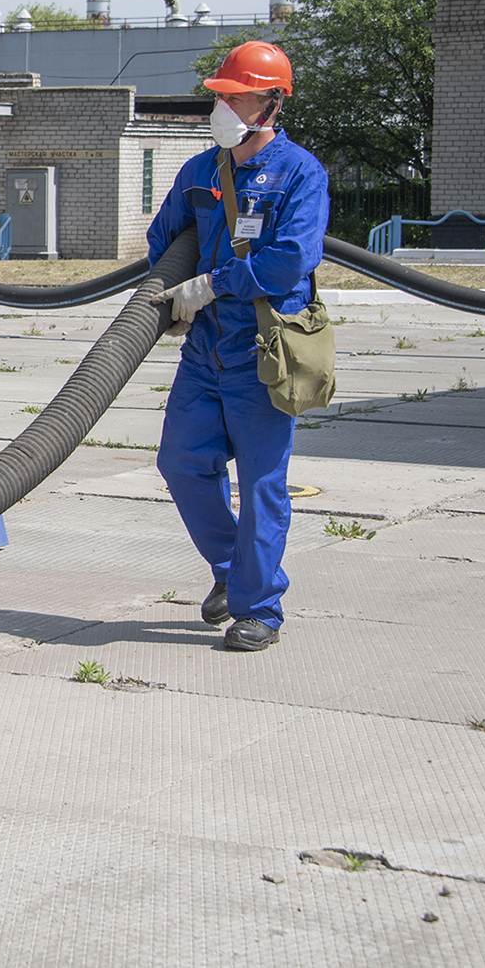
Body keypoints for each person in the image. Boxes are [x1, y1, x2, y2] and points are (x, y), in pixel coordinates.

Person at [146, 40, 327, 652]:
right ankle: (234, 573)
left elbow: (288, 264)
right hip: (205, 350)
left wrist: (213, 284)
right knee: (181, 464)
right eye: (218, 96)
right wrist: (170, 294)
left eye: (233, 96)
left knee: (260, 485)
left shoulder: (300, 173)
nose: (219, 106)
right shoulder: (200, 172)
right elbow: (163, 238)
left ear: (270, 102)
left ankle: (260, 610)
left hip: (264, 353)